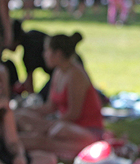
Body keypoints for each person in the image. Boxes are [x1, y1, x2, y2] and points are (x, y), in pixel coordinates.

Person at [16, 32, 103, 161]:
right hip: (63, 125)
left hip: (84, 130)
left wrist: (46, 126)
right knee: (21, 117)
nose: (44, 55)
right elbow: (50, 107)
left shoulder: (76, 75)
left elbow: (74, 114)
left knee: (55, 131)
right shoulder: (58, 72)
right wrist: (25, 111)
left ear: (58, 54)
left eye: (47, 51)